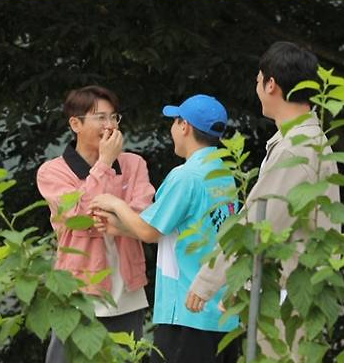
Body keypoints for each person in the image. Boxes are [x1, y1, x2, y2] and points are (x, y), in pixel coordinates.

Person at [185, 42, 340, 362]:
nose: (257, 88)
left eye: (258, 80)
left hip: (288, 298)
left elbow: (259, 223)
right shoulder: (305, 139)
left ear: (271, 84)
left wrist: (208, 281)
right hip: (292, 292)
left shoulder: (296, 148)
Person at [91, 94, 239, 363]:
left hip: (186, 310)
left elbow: (149, 231)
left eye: (174, 121)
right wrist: (119, 228)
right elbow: (169, 228)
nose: (172, 129)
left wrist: (115, 203)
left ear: (184, 126)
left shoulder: (185, 175)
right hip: (221, 312)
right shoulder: (224, 175)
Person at [37, 84, 154, 363]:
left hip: (127, 287)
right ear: (75, 124)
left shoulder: (134, 163)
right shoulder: (52, 171)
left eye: (113, 117)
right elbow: (77, 217)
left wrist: (115, 221)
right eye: (100, 118)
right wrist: (104, 162)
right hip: (79, 287)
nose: (109, 125)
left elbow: (144, 214)